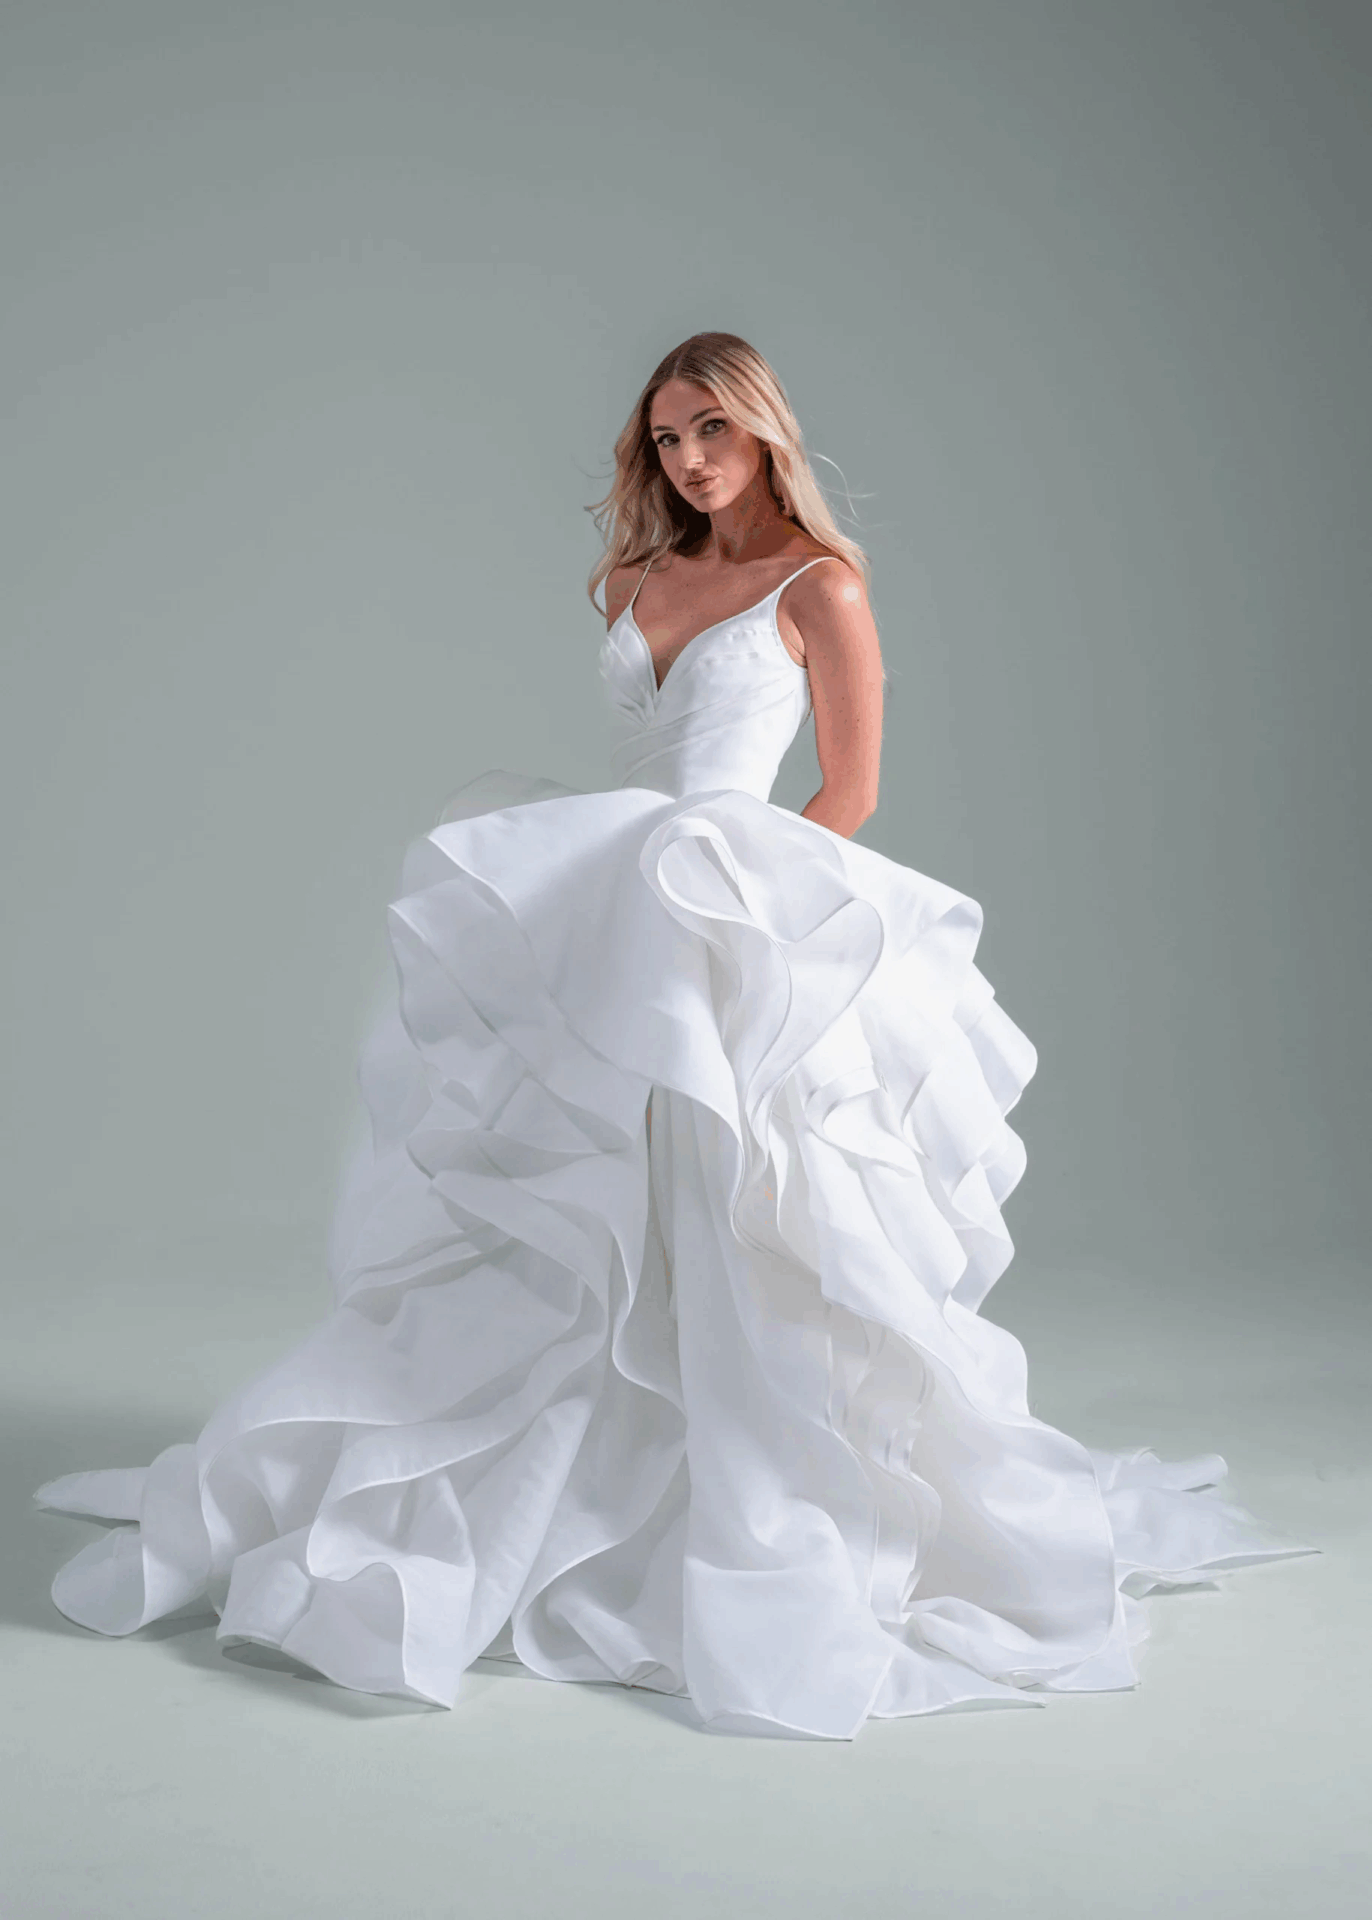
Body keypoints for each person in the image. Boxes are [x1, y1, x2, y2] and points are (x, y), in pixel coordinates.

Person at [34, 331, 1310, 1741]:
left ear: (765, 431)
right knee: (580, 1218)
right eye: (666, 439)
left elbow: (854, 788)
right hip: (623, 905)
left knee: (735, 1215)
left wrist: (747, 920)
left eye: (711, 430)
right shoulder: (638, 577)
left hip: (732, 917)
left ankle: (749, 1508)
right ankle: (556, 1490)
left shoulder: (821, 585)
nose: (689, 460)